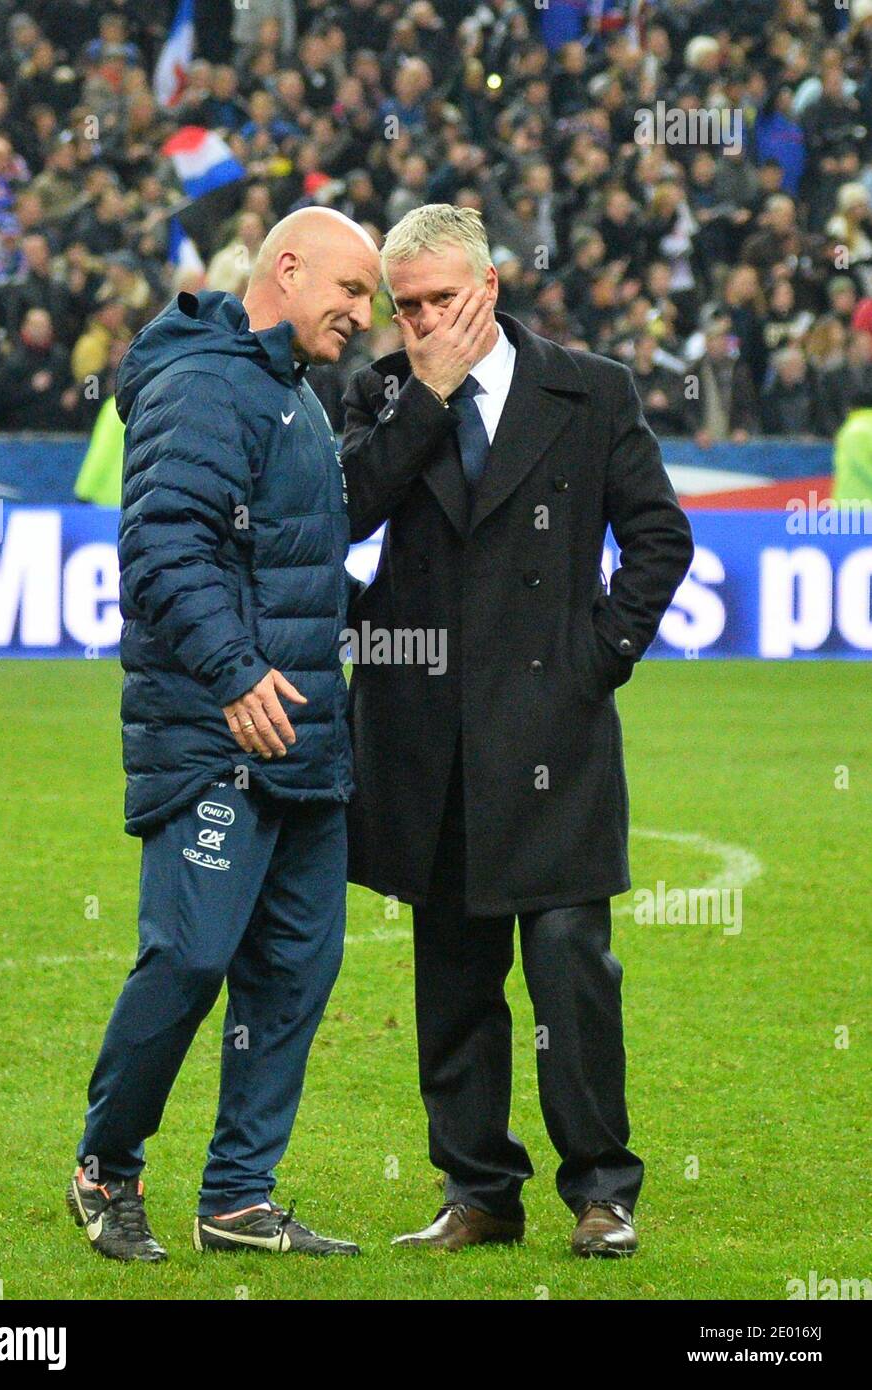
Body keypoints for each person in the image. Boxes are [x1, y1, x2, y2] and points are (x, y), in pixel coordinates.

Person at [340, 204, 694, 1256]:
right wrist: (428, 401)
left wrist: (598, 657)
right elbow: (344, 512)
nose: (420, 322)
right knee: (451, 976)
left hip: (553, 732)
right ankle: (479, 1190)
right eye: (405, 307)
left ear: (489, 285)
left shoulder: (590, 390)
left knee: (570, 967)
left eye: (441, 299)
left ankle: (601, 1190)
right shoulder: (384, 392)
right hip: (428, 737)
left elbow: (659, 537)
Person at [68, 207, 380, 1262]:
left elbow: (296, 557)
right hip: (216, 731)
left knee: (297, 967)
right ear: (285, 270)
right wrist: (236, 671)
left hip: (302, 739)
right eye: (350, 290)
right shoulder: (207, 379)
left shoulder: (290, 391)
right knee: (193, 955)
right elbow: (161, 546)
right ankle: (103, 1166)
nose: (362, 313)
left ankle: (239, 1195)